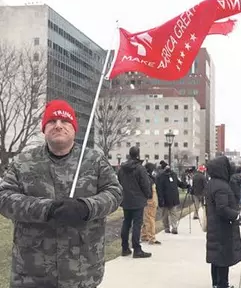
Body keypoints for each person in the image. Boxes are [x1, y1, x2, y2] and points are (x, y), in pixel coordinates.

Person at [0, 99, 122, 288]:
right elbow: (4, 198)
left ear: (74, 128)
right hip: (32, 272)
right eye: (52, 121)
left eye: (65, 121)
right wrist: (46, 209)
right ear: (44, 128)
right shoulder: (22, 162)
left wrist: (86, 207)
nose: (58, 126)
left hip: (82, 270)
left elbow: (114, 193)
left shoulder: (95, 160)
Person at [206, 156, 241, 288]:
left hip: (215, 227)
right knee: (223, 258)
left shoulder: (212, 183)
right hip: (222, 228)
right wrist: (236, 216)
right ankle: (223, 284)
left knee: (215, 259)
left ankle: (216, 283)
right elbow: (222, 208)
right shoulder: (221, 186)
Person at [118, 146, 152, 258]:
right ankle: (137, 249)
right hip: (137, 200)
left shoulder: (121, 169)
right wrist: (148, 195)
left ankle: (125, 248)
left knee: (126, 222)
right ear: (138, 154)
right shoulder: (139, 168)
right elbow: (145, 183)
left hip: (126, 199)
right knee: (137, 224)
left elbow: (118, 182)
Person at [156, 160, 187, 234]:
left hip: (171, 198)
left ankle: (174, 227)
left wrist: (186, 186)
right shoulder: (161, 176)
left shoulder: (173, 174)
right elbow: (159, 189)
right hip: (166, 198)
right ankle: (168, 227)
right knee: (166, 214)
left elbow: (178, 183)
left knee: (171, 213)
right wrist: (160, 199)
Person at [141, 162, 161, 245]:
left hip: (149, 199)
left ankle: (145, 235)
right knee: (150, 219)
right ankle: (152, 237)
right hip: (151, 199)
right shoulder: (150, 178)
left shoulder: (146, 177)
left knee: (147, 218)